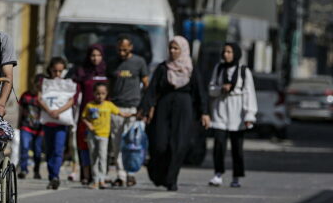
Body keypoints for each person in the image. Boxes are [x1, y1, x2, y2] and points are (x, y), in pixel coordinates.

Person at [139, 36, 210, 191]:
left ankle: (172, 180)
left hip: (184, 110)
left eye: (176, 48)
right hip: (163, 108)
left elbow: (200, 92)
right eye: (170, 48)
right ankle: (158, 174)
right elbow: (152, 91)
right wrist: (145, 109)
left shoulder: (191, 68)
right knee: (159, 144)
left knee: (178, 145)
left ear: (183, 50)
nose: (172, 51)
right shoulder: (162, 68)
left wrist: (204, 112)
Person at [207, 43, 257, 188]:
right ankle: (218, 174)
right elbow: (211, 89)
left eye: (229, 52)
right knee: (219, 144)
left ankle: (236, 176)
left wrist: (249, 115)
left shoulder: (243, 71)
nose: (226, 55)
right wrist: (220, 89)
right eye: (224, 52)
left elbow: (249, 92)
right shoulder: (219, 69)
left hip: (237, 112)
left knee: (237, 147)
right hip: (221, 109)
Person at [108, 36, 149, 187]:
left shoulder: (139, 62)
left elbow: (146, 84)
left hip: (133, 108)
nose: (122, 52)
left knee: (131, 143)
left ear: (131, 47)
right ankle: (121, 175)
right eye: (119, 49)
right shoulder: (112, 63)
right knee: (117, 143)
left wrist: (145, 107)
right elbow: (108, 84)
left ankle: (131, 173)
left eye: (125, 49)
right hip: (116, 107)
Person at [81, 83, 135, 189]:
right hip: (92, 135)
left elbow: (120, 113)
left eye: (103, 94)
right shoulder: (90, 105)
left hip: (104, 135)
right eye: (97, 93)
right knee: (94, 157)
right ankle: (95, 179)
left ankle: (102, 179)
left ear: (106, 94)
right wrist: (89, 124)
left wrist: (132, 114)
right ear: (93, 93)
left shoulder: (108, 105)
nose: (100, 96)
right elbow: (84, 117)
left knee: (103, 157)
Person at [71, 44, 109, 185]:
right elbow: (75, 93)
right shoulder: (82, 72)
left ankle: (100, 175)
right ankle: (86, 175)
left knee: (102, 148)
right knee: (85, 145)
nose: (95, 58)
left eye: (98, 55)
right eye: (93, 55)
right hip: (85, 115)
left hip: (103, 116)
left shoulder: (106, 71)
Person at [39, 57, 77, 190]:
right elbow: (39, 98)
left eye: (60, 71)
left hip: (61, 123)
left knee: (58, 150)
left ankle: (55, 176)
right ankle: (52, 175)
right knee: (49, 151)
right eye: (55, 71)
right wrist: (49, 111)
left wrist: (58, 111)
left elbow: (71, 100)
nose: (58, 74)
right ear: (50, 70)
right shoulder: (44, 82)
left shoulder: (67, 83)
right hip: (48, 122)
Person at [18, 74, 45, 180]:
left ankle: (36, 170)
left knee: (37, 151)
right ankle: (24, 169)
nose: (37, 87)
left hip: (39, 128)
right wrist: (18, 124)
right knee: (24, 147)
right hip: (26, 126)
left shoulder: (43, 97)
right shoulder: (25, 95)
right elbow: (20, 110)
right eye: (36, 84)